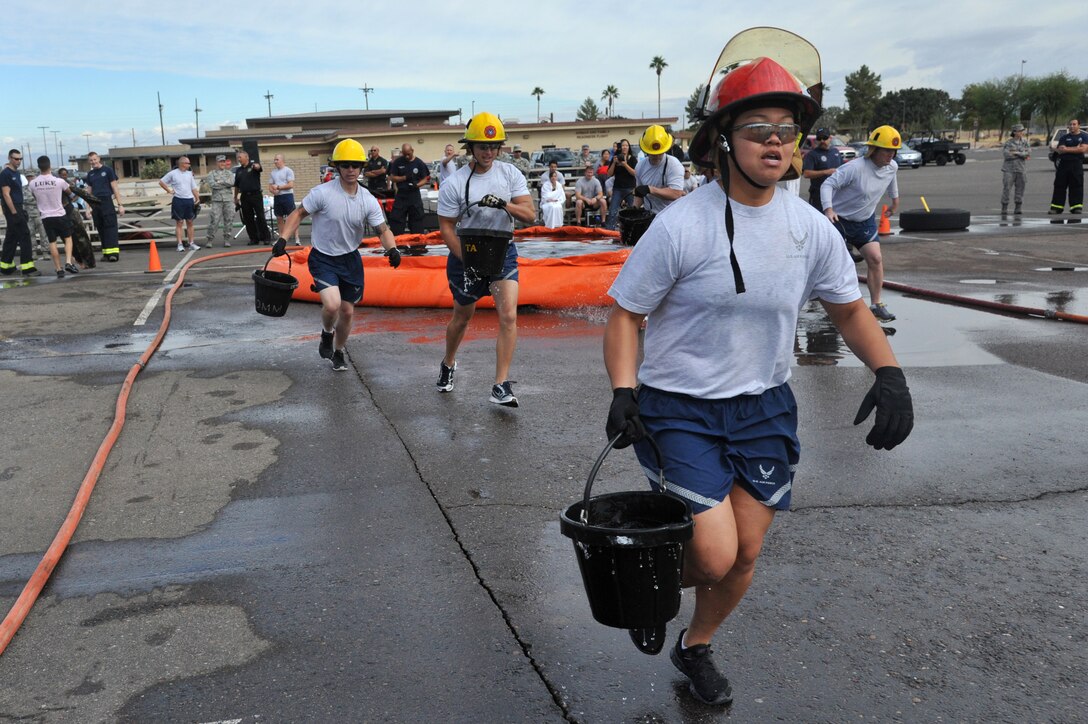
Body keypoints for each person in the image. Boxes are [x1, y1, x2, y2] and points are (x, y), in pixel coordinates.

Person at [603, 56, 913, 706]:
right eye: (756, 128)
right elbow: (626, 314)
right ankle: (644, 592)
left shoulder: (809, 230)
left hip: (764, 408)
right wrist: (624, 390)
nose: (775, 140)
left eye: (786, 127)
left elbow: (850, 309)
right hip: (680, 408)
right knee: (713, 554)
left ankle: (696, 646)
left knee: (745, 554)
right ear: (722, 142)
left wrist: (889, 372)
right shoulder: (680, 226)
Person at [436, 112, 536, 406]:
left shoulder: (509, 175)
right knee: (462, 316)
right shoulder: (455, 182)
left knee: (508, 315)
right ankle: (448, 362)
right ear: (470, 147)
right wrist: (466, 259)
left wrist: (505, 204)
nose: (488, 152)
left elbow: (530, 215)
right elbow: (445, 227)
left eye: (494, 147)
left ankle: (500, 384)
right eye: (482, 146)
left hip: (503, 252)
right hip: (468, 254)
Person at [276, 139, 401, 372]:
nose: (351, 170)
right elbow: (298, 213)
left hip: (350, 259)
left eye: (355, 165)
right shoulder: (322, 193)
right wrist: (283, 238)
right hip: (323, 257)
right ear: (337, 167)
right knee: (332, 305)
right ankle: (326, 333)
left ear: (361, 167)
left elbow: (383, 230)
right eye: (345, 165)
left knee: (347, 311)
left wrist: (392, 249)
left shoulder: (367, 200)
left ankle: (339, 351)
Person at [820, 125, 902, 322]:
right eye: (886, 151)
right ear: (874, 149)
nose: (891, 155)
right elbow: (827, 184)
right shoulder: (855, 168)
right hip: (839, 220)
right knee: (834, 265)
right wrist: (828, 209)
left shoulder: (892, 167)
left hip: (864, 221)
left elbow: (891, 182)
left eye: (893, 151)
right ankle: (830, 303)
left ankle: (876, 304)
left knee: (875, 258)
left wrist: (894, 201)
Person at [28, 156, 80, 277]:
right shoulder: (59, 181)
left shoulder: (33, 184)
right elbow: (71, 195)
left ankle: (58, 269)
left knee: (52, 242)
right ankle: (68, 262)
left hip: (46, 216)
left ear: (38, 167)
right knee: (68, 238)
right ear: (50, 166)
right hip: (60, 214)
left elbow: (35, 198)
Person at [0, 148, 41, 276]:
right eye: (16, 159)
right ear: (9, 158)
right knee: (25, 235)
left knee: (12, 236)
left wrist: (20, 210)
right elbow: (6, 195)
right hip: (12, 208)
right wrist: (14, 212)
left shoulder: (17, 173)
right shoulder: (5, 174)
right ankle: (27, 267)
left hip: (18, 206)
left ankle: (6, 266)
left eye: (20, 159)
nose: (18, 161)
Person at [633, 125, 686, 213]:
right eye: (652, 153)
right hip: (649, 215)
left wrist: (651, 189)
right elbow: (640, 195)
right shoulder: (640, 166)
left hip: (670, 214)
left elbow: (676, 193)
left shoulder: (674, 165)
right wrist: (634, 209)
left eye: (660, 153)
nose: (656, 155)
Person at [85, 151, 125, 261]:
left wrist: (120, 205)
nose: (93, 162)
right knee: (101, 228)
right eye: (91, 160)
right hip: (95, 203)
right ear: (89, 161)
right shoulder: (90, 174)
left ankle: (113, 254)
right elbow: (88, 192)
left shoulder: (108, 170)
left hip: (107, 201)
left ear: (99, 158)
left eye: (95, 159)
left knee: (110, 227)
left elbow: (115, 188)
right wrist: (87, 208)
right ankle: (106, 253)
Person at [57, 167, 97, 268]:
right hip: (62, 212)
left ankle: (88, 261)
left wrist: (93, 201)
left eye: (65, 175)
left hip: (69, 210)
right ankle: (79, 260)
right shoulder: (59, 183)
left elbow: (80, 193)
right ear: (59, 175)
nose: (64, 177)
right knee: (69, 238)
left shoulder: (69, 183)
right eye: (62, 175)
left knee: (81, 237)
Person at [159, 156, 201, 252]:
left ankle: (191, 243)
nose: (189, 165)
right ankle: (180, 244)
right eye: (188, 163)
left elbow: (193, 187)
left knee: (190, 221)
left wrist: (197, 198)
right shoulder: (173, 173)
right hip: (178, 200)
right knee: (179, 222)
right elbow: (161, 182)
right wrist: (169, 190)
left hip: (189, 200)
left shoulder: (190, 174)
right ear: (182, 163)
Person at [388, 143, 431, 234]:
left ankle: (417, 245)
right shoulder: (398, 162)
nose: (407, 156)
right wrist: (404, 178)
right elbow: (392, 177)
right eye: (404, 154)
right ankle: (398, 244)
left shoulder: (419, 163)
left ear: (412, 150)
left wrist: (417, 185)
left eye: (408, 154)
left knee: (417, 221)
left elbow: (425, 179)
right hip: (401, 195)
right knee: (397, 220)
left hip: (414, 194)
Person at [1048, 118, 1088, 214]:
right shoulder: (1064, 137)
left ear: (1078, 125)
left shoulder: (1084, 137)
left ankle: (1076, 207)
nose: (1072, 126)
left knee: (1076, 185)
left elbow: (1082, 150)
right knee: (1059, 185)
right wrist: (1074, 148)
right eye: (1070, 124)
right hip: (1063, 164)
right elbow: (1060, 150)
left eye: (1074, 124)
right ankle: (1056, 207)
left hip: (1076, 164)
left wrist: (1067, 149)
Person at [233, 150, 270, 244]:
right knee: (248, 218)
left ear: (247, 157)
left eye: (240, 157)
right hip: (244, 196)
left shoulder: (253, 166)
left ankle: (266, 238)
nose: (239, 159)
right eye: (238, 157)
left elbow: (259, 168)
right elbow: (236, 185)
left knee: (260, 217)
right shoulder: (239, 170)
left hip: (256, 195)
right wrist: (235, 197)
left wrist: (257, 166)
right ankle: (254, 238)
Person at [801, 128, 843, 211]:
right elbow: (806, 174)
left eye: (825, 138)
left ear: (830, 138)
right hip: (818, 195)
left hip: (835, 194)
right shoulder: (812, 154)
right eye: (819, 139)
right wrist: (825, 172)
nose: (822, 141)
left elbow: (842, 169)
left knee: (834, 221)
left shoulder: (835, 152)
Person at [204, 154, 236, 248]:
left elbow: (232, 183)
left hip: (228, 200)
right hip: (217, 200)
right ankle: (210, 239)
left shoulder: (229, 173)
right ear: (217, 163)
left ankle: (227, 239)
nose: (222, 163)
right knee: (215, 220)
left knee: (229, 219)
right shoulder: (211, 174)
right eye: (220, 162)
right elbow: (212, 185)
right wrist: (225, 183)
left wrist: (220, 182)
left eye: (223, 161)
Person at [605, 138, 637, 229]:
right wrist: (614, 163)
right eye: (623, 145)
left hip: (630, 188)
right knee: (612, 211)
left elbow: (635, 173)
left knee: (633, 210)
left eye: (626, 145)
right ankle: (610, 230)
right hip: (618, 188)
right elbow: (609, 174)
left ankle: (633, 229)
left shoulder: (632, 158)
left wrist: (625, 164)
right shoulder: (615, 158)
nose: (624, 147)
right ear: (620, 147)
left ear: (629, 147)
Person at [1001, 124, 1030, 216]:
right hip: (1009, 170)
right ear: (1014, 132)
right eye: (1020, 131)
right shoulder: (1008, 143)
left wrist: (1016, 153)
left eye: (1022, 131)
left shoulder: (1025, 142)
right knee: (1007, 188)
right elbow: (1007, 155)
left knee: (1020, 189)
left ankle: (1018, 207)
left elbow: (1028, 154)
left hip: (1021, 169)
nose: (1022, 132)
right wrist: (1021, 153)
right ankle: (1004, 207)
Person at [269, 153, 299, 244]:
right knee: (279, 217)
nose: (275, 162)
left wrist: (278, 187)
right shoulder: (273, 172)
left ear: (282, 160)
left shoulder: (288, 171)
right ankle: (281, 238)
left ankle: (297, 238)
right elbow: (270, 186)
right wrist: (274, 191)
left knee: (292, 217)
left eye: (277, 160)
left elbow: (291, 185)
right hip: (278, 197)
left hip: (287, 196)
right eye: (274, 160)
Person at [22, 169, 49, 259]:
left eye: (31, 176)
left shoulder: (39, 187)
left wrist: (32, 201)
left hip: (40, 213)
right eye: (28, 176)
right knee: (31, 234)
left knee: (43, 233)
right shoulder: (23, 188)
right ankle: (33, 252)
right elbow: (23, 200)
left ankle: (45, 252)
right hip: (29, 215)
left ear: (34, 177)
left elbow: (43, 199)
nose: (30, 178)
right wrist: (34, 200)